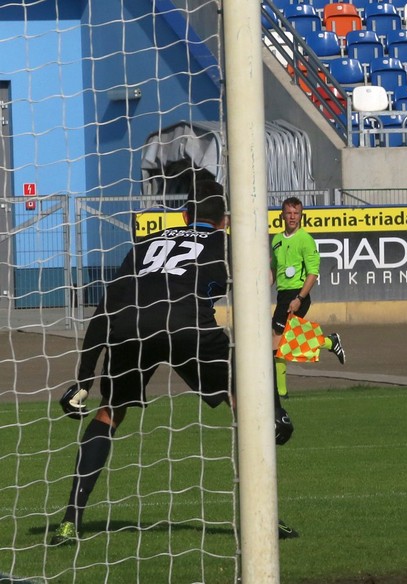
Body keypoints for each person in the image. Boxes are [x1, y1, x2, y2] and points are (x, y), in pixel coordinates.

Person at [52, 180, 298, 545]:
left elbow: (107, 305)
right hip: (187, 325)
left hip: (133, 326)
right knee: (244, 401)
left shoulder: (146, 243)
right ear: (225, 220)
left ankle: (70, 522)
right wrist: (274, 408)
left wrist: (84, 378)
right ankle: (264, 518)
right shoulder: (226, 244)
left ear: (184, 215)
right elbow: (256, 316)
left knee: (109, 413)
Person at [270, 197, 345, 397]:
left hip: (296, 295)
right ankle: (329, 342)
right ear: (282, 215)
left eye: (296, 213)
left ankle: (280, 392)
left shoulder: (305, 240)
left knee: (277, 340)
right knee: (288, 340)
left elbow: (313, 274)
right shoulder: (276, 240)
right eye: (289, 213)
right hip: (283, 295)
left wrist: (299, 299)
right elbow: (273, 270)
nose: (292, 217)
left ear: (301, 216)